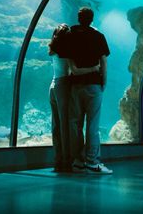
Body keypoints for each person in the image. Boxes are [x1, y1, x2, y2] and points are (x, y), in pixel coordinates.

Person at [67, 7, 113, 175]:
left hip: (75, 85)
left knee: (75, 124)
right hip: (94, 85)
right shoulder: (98, 36)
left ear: (78, 18)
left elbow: (70, 64)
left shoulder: (71, 36)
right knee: (93, 125)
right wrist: (103, 82)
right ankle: (92, 163)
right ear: (91, 19)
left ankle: (78, 162)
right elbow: (104, 62)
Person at [48, 23, 99, 173]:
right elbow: (74, 71)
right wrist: (94, 68)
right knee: (64, 126)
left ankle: (57, 161)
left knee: (56, 126)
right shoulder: (67, 50)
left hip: (53, 85)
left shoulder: (54, 49)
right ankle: (67, 162)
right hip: (63, 86)